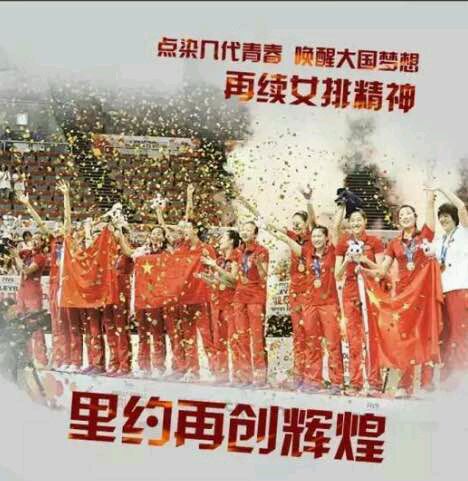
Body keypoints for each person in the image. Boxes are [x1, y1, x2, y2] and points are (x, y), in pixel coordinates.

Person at [237, 187, 317, 389]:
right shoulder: (290, 235)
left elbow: (314, 221)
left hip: (312, 293)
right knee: (297, 336)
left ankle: (312, 377)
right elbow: (269, 225)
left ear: (306, 224)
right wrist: (248, 206)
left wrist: (308, 202)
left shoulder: (313, 238)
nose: (295, 225)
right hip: (294, 292)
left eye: (299, 222)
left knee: (311, 335)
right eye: (293, 222)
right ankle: (298, 376)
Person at [267, 206, 345, 393]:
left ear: (325, 238)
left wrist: (340, 207)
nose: (316, 239)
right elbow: (286, 238)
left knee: (332, 343)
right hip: (309, 304)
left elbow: (334, 227)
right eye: (314, 236)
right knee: (312, 343)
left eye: (319, 236)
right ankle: (313, 380)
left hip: (328, 304)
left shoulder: (333, 252)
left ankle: (337, 382)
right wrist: (269, 225)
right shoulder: (306, 252)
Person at [380, 190, 437, 397]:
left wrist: (430, 196)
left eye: (408, 213)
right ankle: (405, 386)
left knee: (426, 336)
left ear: (415, 217)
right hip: (403, 297)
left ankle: (426, 385)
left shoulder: (424, 236)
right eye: (401, 214)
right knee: (405, 338)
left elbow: (430, 216)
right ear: (398, 220)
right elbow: (382, 270)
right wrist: (362, 263)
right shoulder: (394, 244)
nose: (405, 216)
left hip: (424, 294)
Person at [335, 209, 385, 396]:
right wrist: (347, 261)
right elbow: (337, 274)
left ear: (365, 221)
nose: (355, 223)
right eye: (352, 220)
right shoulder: (343, 243)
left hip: (370, 292)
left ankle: (374, 382)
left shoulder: (374, 242)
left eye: (359, 220)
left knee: (371, 337)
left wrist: (364, 260)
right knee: (353, 338)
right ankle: (355, 382)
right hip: (350, 292)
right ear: (349, 223)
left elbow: (381, 270)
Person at [116, 225, 167, 378]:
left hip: (157, 298)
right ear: (149, 236)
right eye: (154, 233)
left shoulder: (167, 253)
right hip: (141, 297)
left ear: (164, 238)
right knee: (142, 332)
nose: (156, 236)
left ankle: (159, 366)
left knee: (157, 332)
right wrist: (120, 234)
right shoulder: (142, 251)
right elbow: (128, 252)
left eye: (159, 234)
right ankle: (144, 366)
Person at [432, 188, 468, 386]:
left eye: (446, 215)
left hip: (460, 290)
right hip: (442, 293)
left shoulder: (463, 233)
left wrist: (441, 189)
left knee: (459, 334)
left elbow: (462, 207)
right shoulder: (439, 241)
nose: (443, 219)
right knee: (444, 335)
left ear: (454, 217)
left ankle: (461, 379)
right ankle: (446, 379)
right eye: (441, 216)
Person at [231, 221, 269, 387]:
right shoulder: (237, 251)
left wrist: (258, 263)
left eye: (249, 230)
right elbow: (234, 277)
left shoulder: (262, 251)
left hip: (255, 297)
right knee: (242, 336)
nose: (245, 232)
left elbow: (264, 276)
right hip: (239, 297)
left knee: (257, 337)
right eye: (243, 229)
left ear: (255, 234)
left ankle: (260, 376)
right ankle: (245, 376)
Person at [200, 229, 241, 384]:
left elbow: (234, 281)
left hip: (231, 305)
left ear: (231, 241)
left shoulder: (237, 256)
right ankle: (221, 376)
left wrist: (214, 267)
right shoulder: (220, 260)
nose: (220, 240)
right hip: (218, 304)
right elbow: (218, 282)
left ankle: (238, 377)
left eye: (223, 237)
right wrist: (206, 278)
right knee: (219, 342)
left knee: (234, 342)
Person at [12, 232, 48, 368]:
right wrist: (13, 248)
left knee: (35, 325)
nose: (35, 241)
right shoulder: (27, 254)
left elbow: (26, 271)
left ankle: (41, 359)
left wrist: (16, 256)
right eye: (34, 238)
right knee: (21, 324)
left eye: (39, 239)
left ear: (43, 243)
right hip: (22, 291)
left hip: (33, 292)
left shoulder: (40, 257)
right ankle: (25, 357)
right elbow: (15, 253)